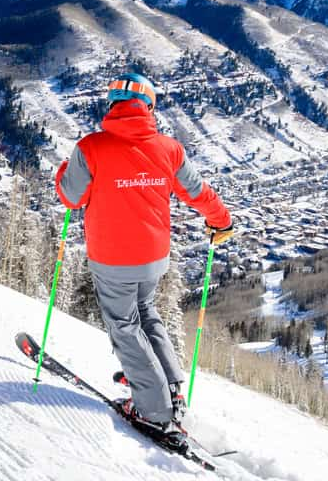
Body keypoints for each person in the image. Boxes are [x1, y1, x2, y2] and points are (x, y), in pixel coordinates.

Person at [55, 72, 233, 439]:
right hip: (154, 256)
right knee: (146, 311)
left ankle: (153, 409)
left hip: (112, 258)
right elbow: (197, 192)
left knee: (124, 325)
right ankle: (169, 386)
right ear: (149, 106)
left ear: (112, 104)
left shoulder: (91, 148)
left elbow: (71, 197)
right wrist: (221, 221)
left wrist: (65, 169)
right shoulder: (169, 149)